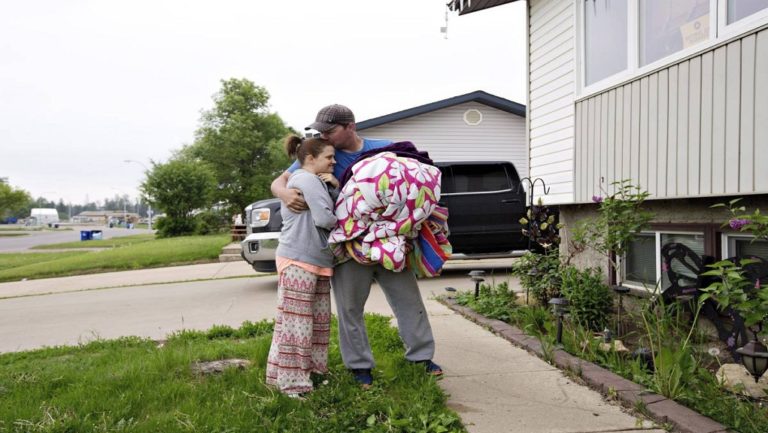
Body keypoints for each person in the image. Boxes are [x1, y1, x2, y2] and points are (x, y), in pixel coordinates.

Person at [271, 104, 442, 388]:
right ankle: (359, 367)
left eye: (329, 130)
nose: (323, 135)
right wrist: (283, 193)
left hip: (390, 242)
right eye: (320, 131)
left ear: (350, 126)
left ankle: (421, 358)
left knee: (408, 300)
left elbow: (410, 182)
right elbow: (283, 178)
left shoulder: (384, 148)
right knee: (350, 309)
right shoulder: (321, 154)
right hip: (348, 247)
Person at [266, 135, 338, 398]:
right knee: (298, 325)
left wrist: (334, 187)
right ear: (310, 158)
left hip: (312, 258)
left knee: (313, 322)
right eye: (329, 157)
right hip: (299, 258)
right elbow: (325, 219)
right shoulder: (307, 179)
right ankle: (292, 384)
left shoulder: (312, 180)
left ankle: (297, 374)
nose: (334, 161)